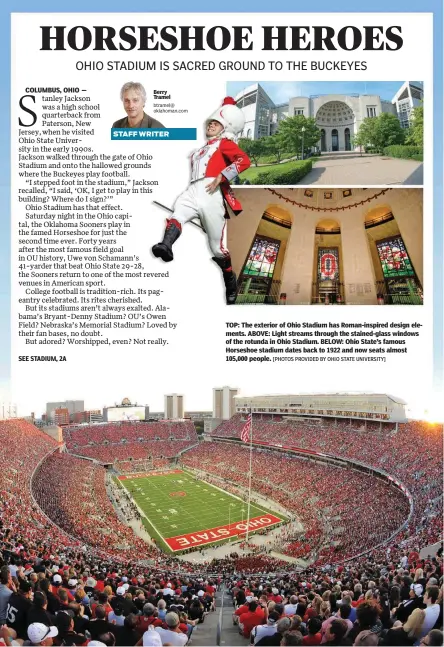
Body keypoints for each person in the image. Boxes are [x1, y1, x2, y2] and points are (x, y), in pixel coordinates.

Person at [151, 97, 251, 304]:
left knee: (216, 248)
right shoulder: (198, 151)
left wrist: (222, 176)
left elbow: (244, 161)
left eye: (216, 123)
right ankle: (166, 246)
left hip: (211, 193)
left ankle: (230, 280)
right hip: (192, 190)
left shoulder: (225, 144)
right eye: (210, 122)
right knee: (177, 212)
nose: (210, 124)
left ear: (226, 128)